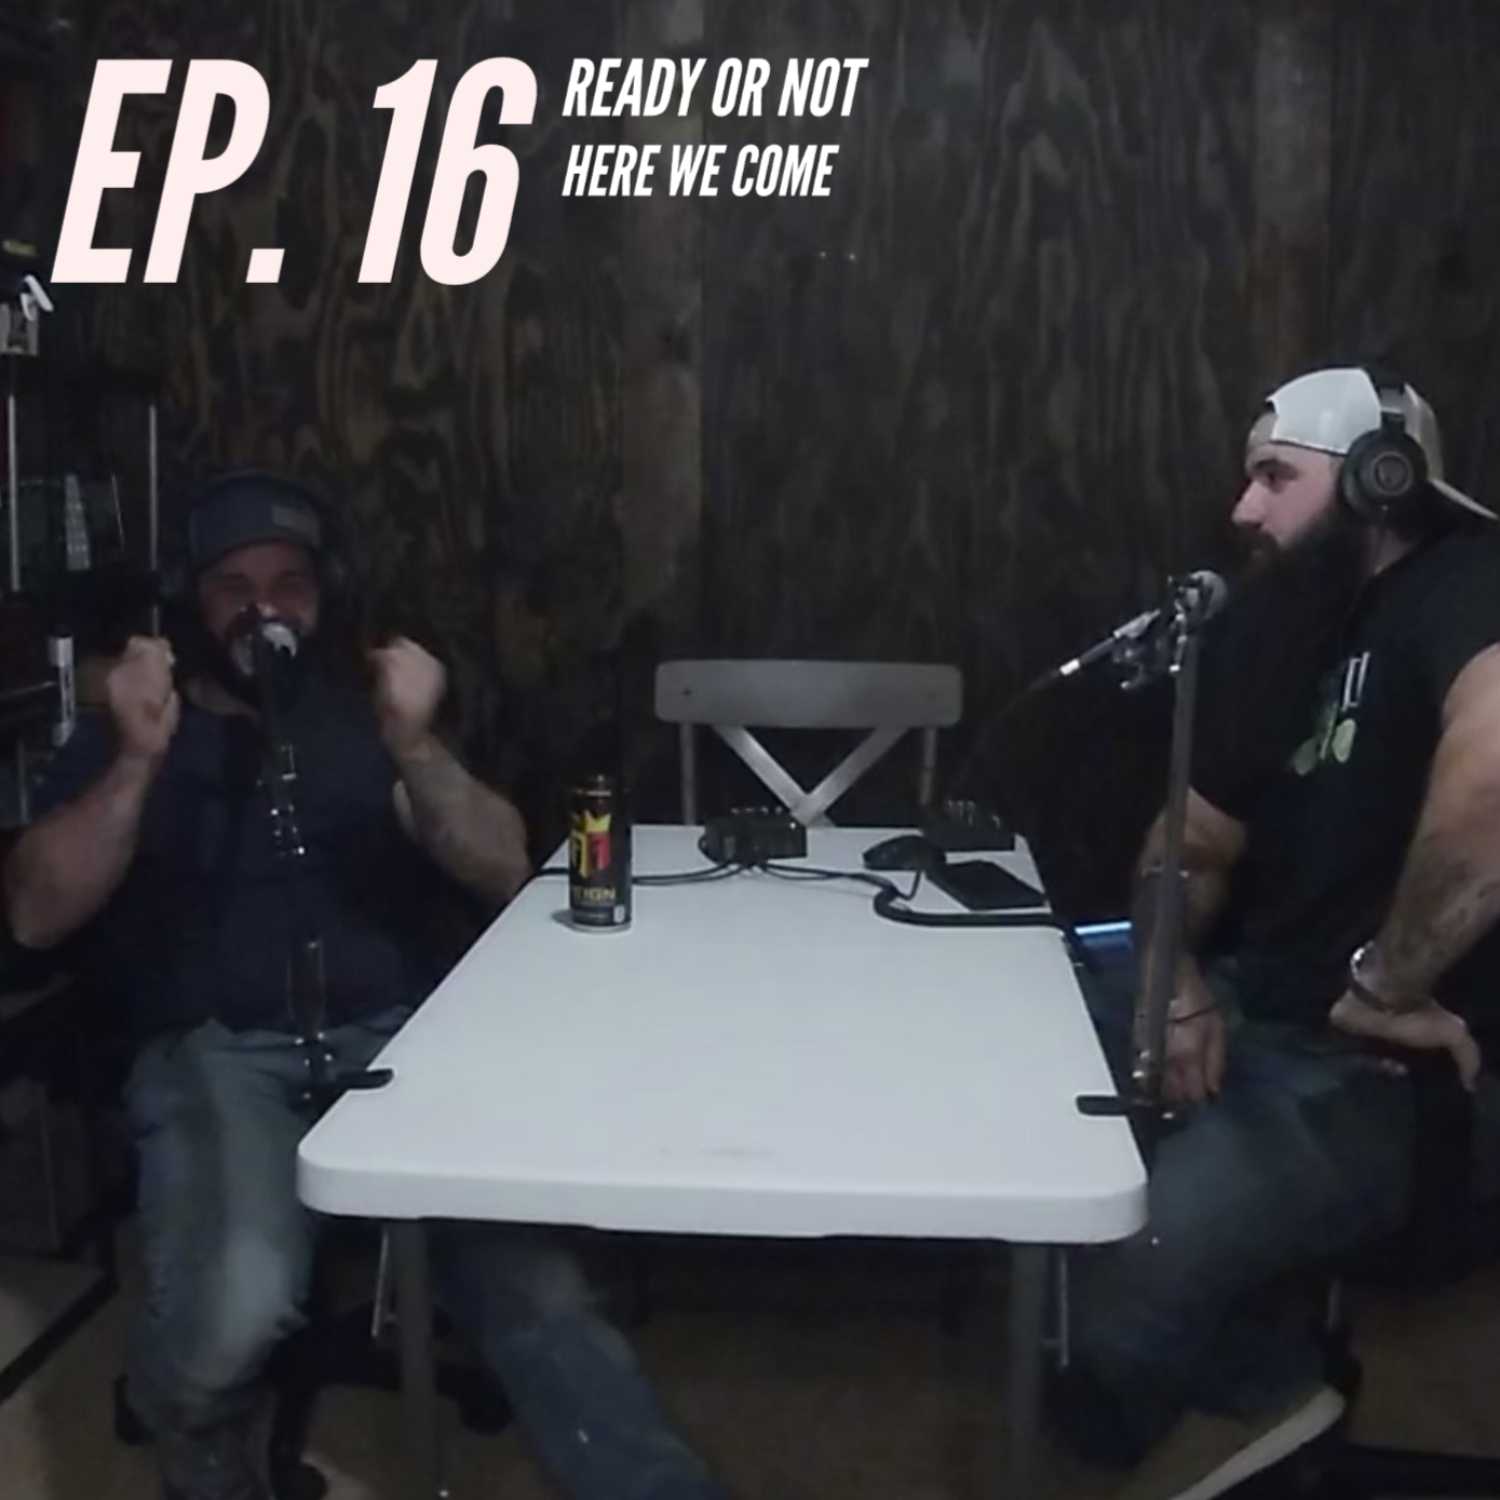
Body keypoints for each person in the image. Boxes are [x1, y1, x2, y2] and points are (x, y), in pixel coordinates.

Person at [1, 471, 728, 1500]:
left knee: (541, 1298)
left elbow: (502, 864)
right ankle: (192, 1430)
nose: (263, 609)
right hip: (217, 1050)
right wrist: (134, 763)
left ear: (327, 594)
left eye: (289, 583)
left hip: (400, 1047)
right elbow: (34, 913)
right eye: (232, 586)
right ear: (189, 605)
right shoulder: (137, 728)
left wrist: (414, 744)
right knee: (231, 1312)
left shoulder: (367, 716)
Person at [1052, 367, 1500, 1498]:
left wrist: (1391, 983)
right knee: (1009, 1048)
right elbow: (1188, 838)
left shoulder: (1469, 586)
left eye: (1273, 477)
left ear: (1380, 479)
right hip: (1248, 1001)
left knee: (1136, 1264)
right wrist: (1173, 977)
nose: (1243, 510)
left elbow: (1495, 775)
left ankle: (1255, 1390)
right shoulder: (1294, 624)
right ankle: (1225, 1354)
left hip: (1380, 1070)